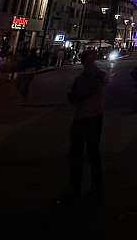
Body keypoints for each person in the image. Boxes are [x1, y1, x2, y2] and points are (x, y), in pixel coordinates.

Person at [59, 48, 107, 204]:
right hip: (84, 117)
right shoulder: (88, 77)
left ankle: (90, 186)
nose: (93, 63)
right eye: (90, 60)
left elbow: (76, 96)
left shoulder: (93, 77)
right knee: (80, 153)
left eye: (94, 59)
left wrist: (77, 94)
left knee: (90, 152)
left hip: (91, 117)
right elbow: (74, 97)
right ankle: (78, 185)